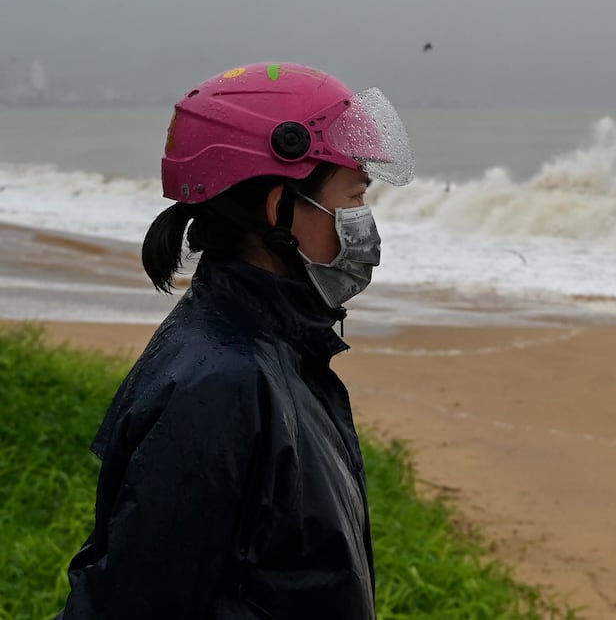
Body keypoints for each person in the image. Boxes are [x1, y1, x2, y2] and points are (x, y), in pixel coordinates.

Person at [57, 62, 415, 619]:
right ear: (281, 207)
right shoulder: (223, 385)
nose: (363, 224)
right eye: (353, 198)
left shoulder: (271, 347)